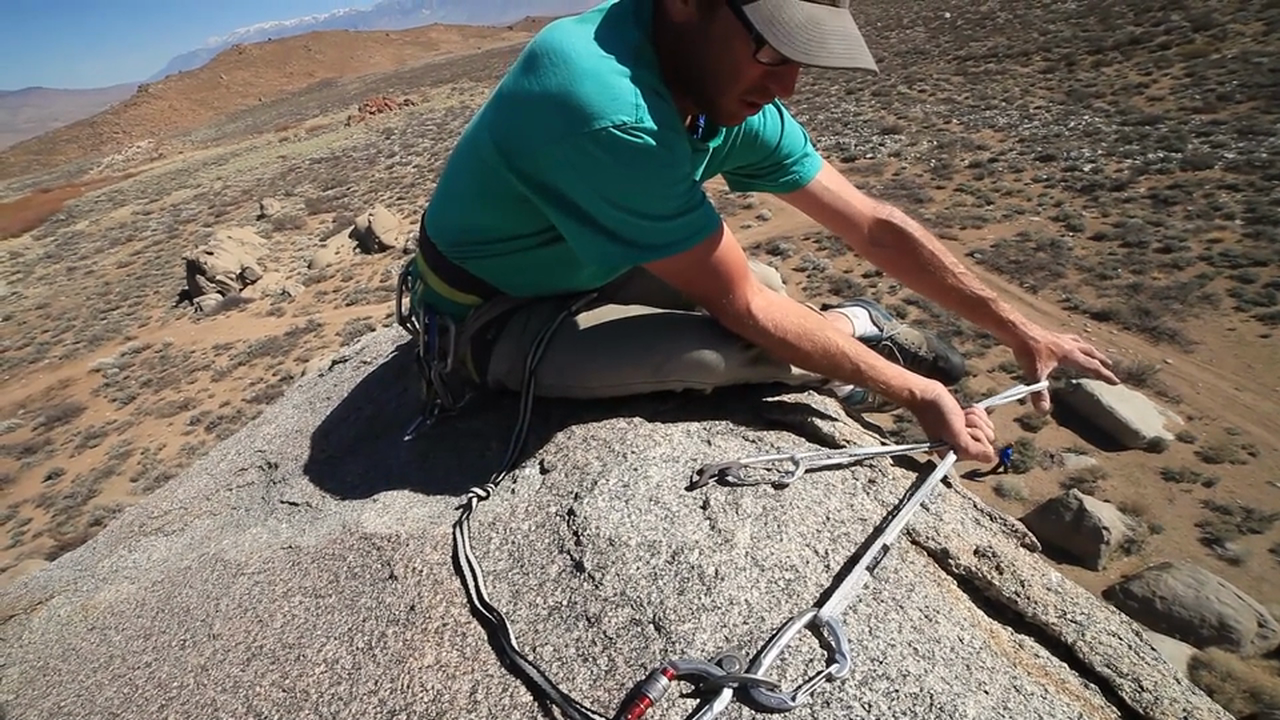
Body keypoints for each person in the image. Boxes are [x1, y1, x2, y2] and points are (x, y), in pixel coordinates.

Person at [400, 0, 1119, 464]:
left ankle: (848, 331)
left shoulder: (718, 85)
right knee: (719, 357)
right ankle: (856, 334)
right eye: (775, 49)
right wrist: (915, 393)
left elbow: (873, 224)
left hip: (581, 258)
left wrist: (1020, 329)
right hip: (492, 310)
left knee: (766, 292)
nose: (788, 87)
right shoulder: (602, 100)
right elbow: (739, 308)